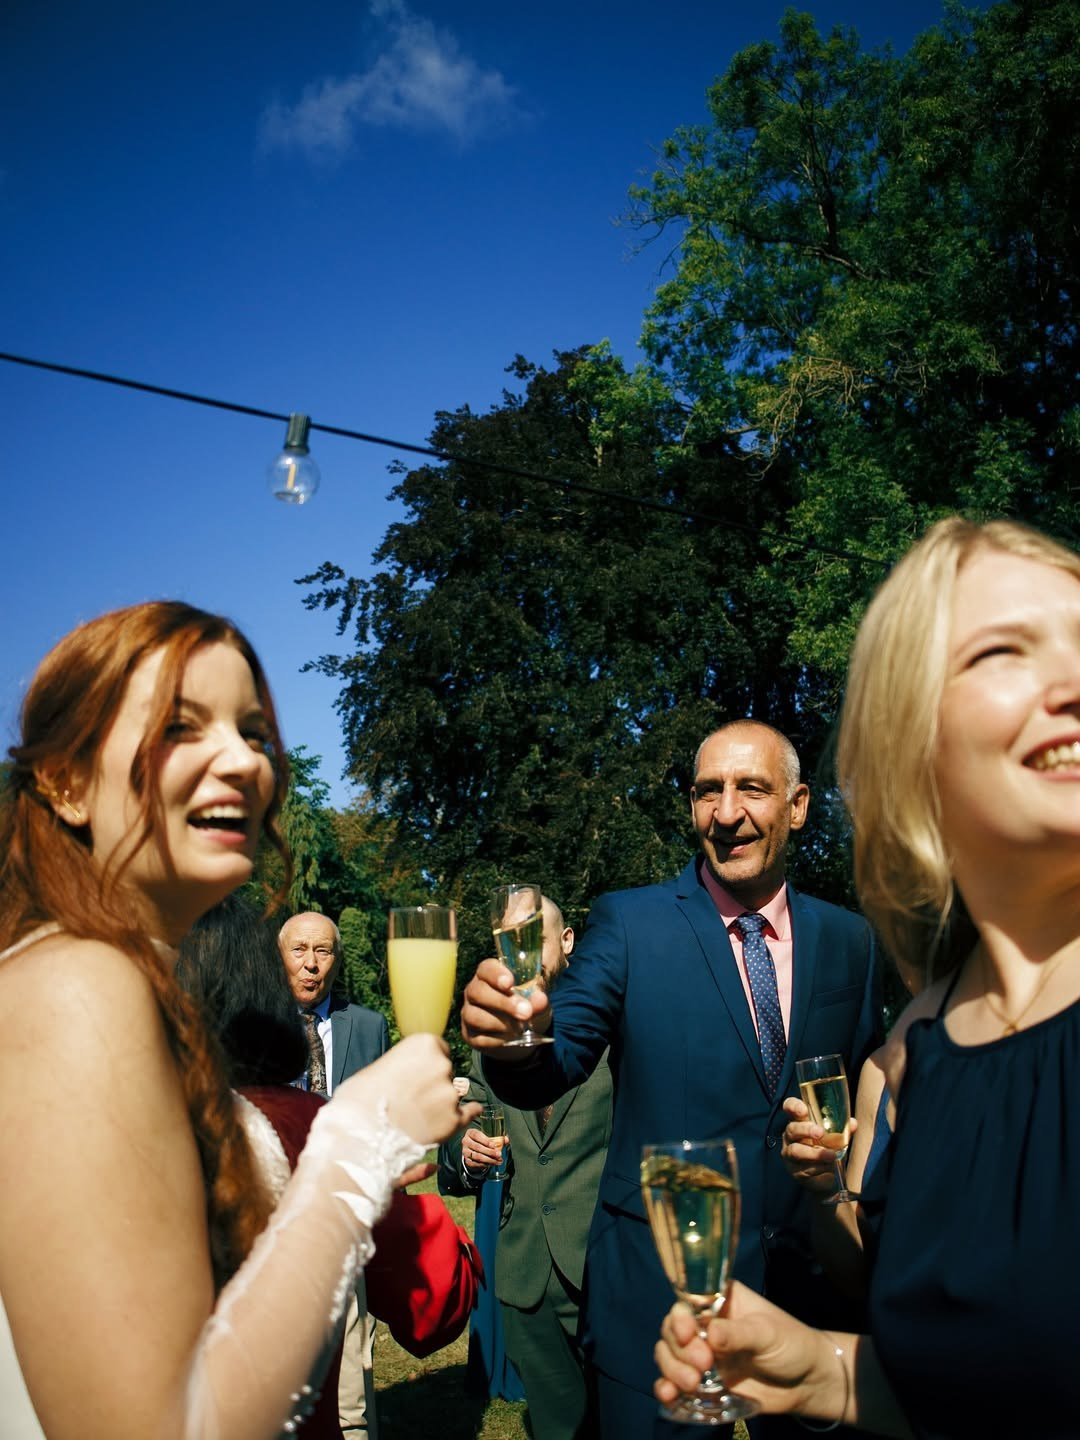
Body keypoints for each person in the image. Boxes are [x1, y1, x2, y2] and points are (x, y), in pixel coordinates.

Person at [0, 600, 469, 1440]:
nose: (244, 761)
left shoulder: (110, 980)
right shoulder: (76, 982)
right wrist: (357, 1142)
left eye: (253, 731)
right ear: (67, 782)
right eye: (181, 726)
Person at [654, 517, 1080, 1436]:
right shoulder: (928, 1036)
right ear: (909, 732)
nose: (1073, 680)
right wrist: (827, 1372)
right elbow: (989, 1382)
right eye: (1008, 648)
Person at [461, 720, 882, 1437]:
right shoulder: (629, 922)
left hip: (806, 1298)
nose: (726, 813)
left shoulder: (850, 939)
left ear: (800, 804)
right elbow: (555, 1062)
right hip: (656, 1305)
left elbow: (866, 1097)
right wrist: (512, 1043)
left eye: (751, 788)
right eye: (706, 792)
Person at [439, 897, 612, 1440]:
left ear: (567, 942)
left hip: (604, 1267)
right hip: (524, 1269)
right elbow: (465, 1128)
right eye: (508, 939)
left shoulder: (616, 1023)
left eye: (534, 935)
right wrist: (464, 1150)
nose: (519, 952)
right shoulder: (489, 1038)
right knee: (557, 1429)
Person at [278, 910, 390, 1439]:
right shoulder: (251, 1024)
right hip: (274, 1216)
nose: (311, 963)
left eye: (322, 951)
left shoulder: (367, 1027)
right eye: (299, 950)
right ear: (280, 958)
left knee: (350, 1369)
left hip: (345, 1214)